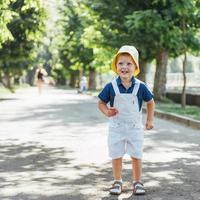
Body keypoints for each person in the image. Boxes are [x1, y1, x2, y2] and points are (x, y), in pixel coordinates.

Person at [98, 45, 155, 195]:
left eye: (129, 63)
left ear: (135, 66)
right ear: (115, 66)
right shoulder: (111, 86)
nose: (124, 67)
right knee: (116, 154)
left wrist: (149, 120)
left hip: (135, 128)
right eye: (120, 63)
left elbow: (150, 102)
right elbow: (101, 102)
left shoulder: (141, 87)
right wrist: (107, 111)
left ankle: (137, 182)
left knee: (136, 154)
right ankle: (118, 181)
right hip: (116, 126)